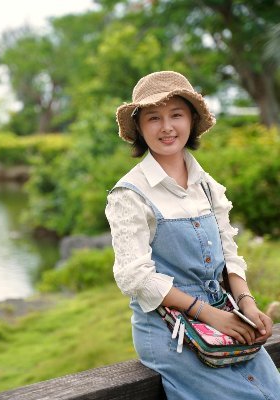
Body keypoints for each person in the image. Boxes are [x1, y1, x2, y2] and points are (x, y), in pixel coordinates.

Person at [105, 71, 280, 399]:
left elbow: (229, 254)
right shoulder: (130, 194)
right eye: (154, 117)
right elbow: (135, 277)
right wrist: (209, 314)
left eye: (176, 115)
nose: (166, 127)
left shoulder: (207, 186)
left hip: (227, 319)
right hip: (170, 332)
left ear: (192, 120)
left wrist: (247, 303)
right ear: (140, 128)